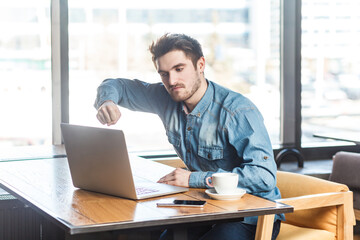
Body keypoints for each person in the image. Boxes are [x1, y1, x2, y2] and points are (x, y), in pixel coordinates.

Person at [94, 33, 284, 240]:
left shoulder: (237, 111)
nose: (172, 81)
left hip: (251, 214)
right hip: (206, 208)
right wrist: (107, 102)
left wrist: (194, 179)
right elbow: (115, 85)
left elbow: (264, 176)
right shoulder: (165, 97)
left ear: (200, 64)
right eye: (164, 74)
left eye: (179, 69)